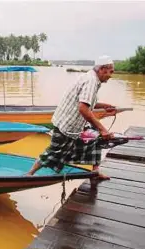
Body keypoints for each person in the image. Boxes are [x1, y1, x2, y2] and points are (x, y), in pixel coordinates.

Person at [27, 55, 117, 189]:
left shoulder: (92, 78)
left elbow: (87, 102)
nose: (111, 75)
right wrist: (102, 129)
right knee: (54, 152)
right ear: (103, 69)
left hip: (74, 124)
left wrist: (104, 106)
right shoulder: (91, 81)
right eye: (111, 72)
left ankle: (95, 172)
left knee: (95, 141)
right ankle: (29, 174)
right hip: (67, 124)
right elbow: (83, 108)